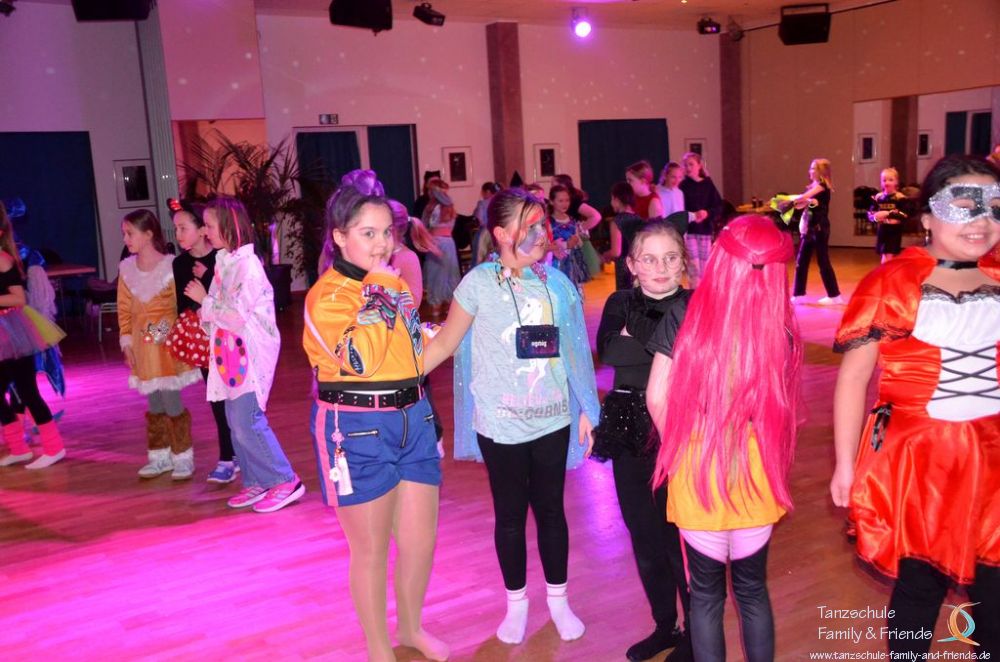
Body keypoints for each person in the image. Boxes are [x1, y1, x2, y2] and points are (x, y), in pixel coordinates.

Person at [830, 155, 1000, 658]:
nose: (982, 220)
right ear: (927, 216)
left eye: (994, 207)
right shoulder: (893, 281)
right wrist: (846, 465)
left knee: (995, 589)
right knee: (920, 584)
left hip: (993, 459)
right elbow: (853, 378)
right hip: (921, 463)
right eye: (964, 206)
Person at [424, 187, 600, 645]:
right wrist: (390, 377)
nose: (542, 233)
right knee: (509, 515)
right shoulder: (479, 284)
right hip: (500, 424)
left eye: (543, 224)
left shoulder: (556, 283)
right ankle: (516, 604)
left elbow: (576, 351)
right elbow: (444, 345)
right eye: (531, 226)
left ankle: (559, 602)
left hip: (552, 419)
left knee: (552, 511)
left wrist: (586, 406)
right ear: (502, 234)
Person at [304, 170, 447, 662]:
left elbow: (412, 354)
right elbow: (360, 359)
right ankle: (379, 648)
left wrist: (454, 327)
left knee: (420, 542)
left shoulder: (391, 285)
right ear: (339, 237)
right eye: (368, 233)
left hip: (414, 420)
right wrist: (384, 288)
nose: (383, 243)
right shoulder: (327, 296)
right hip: (356, 428)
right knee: (370, 550)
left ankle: (410, 629)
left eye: (387, 232)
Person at [649, 215, 802, 661]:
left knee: (705, 595)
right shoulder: (781, 323)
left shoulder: (685, 312)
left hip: (698, 466)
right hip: (756, 469)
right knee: (753, 590)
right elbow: (781, 408)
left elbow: (657, 396)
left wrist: (681, 448)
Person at [593, 220, 692, 661]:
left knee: (679, 537)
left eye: (670, 258)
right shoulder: (620, 301)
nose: (661, 268)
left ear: (683, 261)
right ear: (631, 265)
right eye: (649, 259)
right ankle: (664, 625)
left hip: (677, 425)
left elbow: (690, 359)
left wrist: (637, 339)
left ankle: (696, 634)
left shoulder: (694, 303)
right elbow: (612, 352)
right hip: (629, 428)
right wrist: (664, 344)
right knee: (644, 535)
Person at [184, 197, 304, 513]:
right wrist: (206, 308)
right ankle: (257, 481)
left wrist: (204, 301)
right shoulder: (225, 261)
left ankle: (285, 479)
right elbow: (218, 311)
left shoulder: (247, 266)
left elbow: (236, 316)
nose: (206, 232)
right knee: (234, 422)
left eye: (209, 226)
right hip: (229, 353)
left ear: (229, 226)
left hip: (249, 355)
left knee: (247, 419)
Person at [117, 209, 200, 479]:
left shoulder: (170, 266)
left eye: (130, 233)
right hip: (143, 347)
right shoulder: (127, 270)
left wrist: (159, 333)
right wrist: (127, 343)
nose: (126, 239)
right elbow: (124, 310)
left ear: (148, 234)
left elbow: (179, 306)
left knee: (171, 400)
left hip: (166, 346)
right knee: (154, 403)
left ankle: (183, 457)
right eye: (124, 234)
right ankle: (159, 456)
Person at [169, 200, 237, 484]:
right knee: (216, 398)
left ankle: (236, 453)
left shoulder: (223, 258)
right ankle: (227, 457)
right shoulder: (180, 263)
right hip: (202, 338)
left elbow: (230, 299)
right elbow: (183, 304)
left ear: (202, 231)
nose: (178, 234)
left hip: (229, 335)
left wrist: (207, 278)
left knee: (236, 397)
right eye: (175, 229)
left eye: (183, 228)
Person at [0, 201, 67, 469]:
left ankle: (54, 447)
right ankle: (18, 448)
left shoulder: (2, 259)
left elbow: (19, 297)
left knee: (28, 391)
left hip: (12, 332)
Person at [790, 158, 843, 304]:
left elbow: (804, 198)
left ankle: (835, 296)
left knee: (823, 261)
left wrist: (792, 200)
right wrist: (796, 203)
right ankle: (799, 294)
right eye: (811, 168)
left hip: (820, 227)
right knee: (801, 260)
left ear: (821, 172)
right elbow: (803, 203)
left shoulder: (822, 186)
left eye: (813, 168)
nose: (810, 171)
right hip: (810, 227)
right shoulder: (813, 187)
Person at [678, 152, 722, 287]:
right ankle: (694, 293)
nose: (688, 167)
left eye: (691, 164)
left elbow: (718, 206)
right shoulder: (682, 186)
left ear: (699, 166)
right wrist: (691, 216)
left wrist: (706, 213)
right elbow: (679, 207)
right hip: (689, 231)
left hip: (705, 231)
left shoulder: (708, 184)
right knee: (693, 266)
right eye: (686, 165)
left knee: (705, 266)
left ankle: (704, 292)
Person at [421, 183, 461, 318]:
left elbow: (426, 226)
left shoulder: (432, 208)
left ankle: (435, 309)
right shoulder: (451, 208)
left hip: (436, 243)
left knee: (436, 275)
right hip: (449, 243)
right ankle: (449, 308)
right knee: (449, 275)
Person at [548, 184, 590, 293]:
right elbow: (547, 244)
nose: (565, 204)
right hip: (557, 264)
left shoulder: (572, 220)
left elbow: (579, 243)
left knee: (575, 292)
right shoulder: (549, 222)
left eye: (567, 200)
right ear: (552, 201)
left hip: (573, 263)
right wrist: (566, 244)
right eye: (560, 201)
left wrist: (578, 239)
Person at [604, 182, 645, 291]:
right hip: (640, 266)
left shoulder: (617, 222)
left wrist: (604, 256)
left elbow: (616, 252)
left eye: (612, 199)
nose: (611, 202)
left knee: (626, 297)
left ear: (617, 200)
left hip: (625, 269)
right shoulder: (639, 219)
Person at [867, 167, 912, 263]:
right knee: (884, 254)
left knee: (889, 255)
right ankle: (887, 271)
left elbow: (905, 214)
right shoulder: (878, 197)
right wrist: (875, 217)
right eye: (884, 180)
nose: (887, 183)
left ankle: (886, 271)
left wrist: (887, 214)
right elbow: (870, 214)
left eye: (890, 180)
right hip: (882, 230)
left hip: (894, 232)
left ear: (896, 182)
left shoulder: (900, 198)